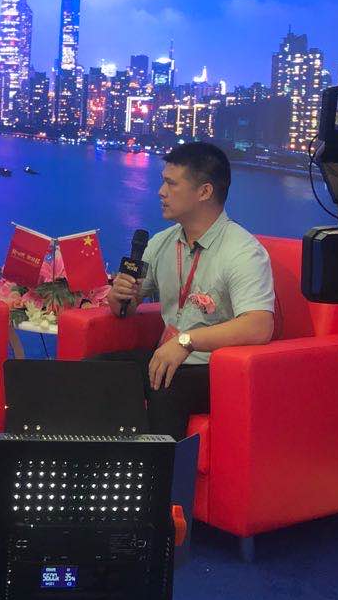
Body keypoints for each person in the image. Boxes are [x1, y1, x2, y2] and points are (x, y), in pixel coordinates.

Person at [103, 142, 276, 440]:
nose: (161, 192)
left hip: (216, 368)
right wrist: (120, 297)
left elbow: (259, 325)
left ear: (204, 192)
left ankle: (160, 471)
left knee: (166, 386)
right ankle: (98, 461)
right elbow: (129, 307)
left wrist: (185, 341)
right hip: (167, 358)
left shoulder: (243, 252)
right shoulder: (162, 242)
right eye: (163, 182)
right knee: (94, 373)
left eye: (171, 184)